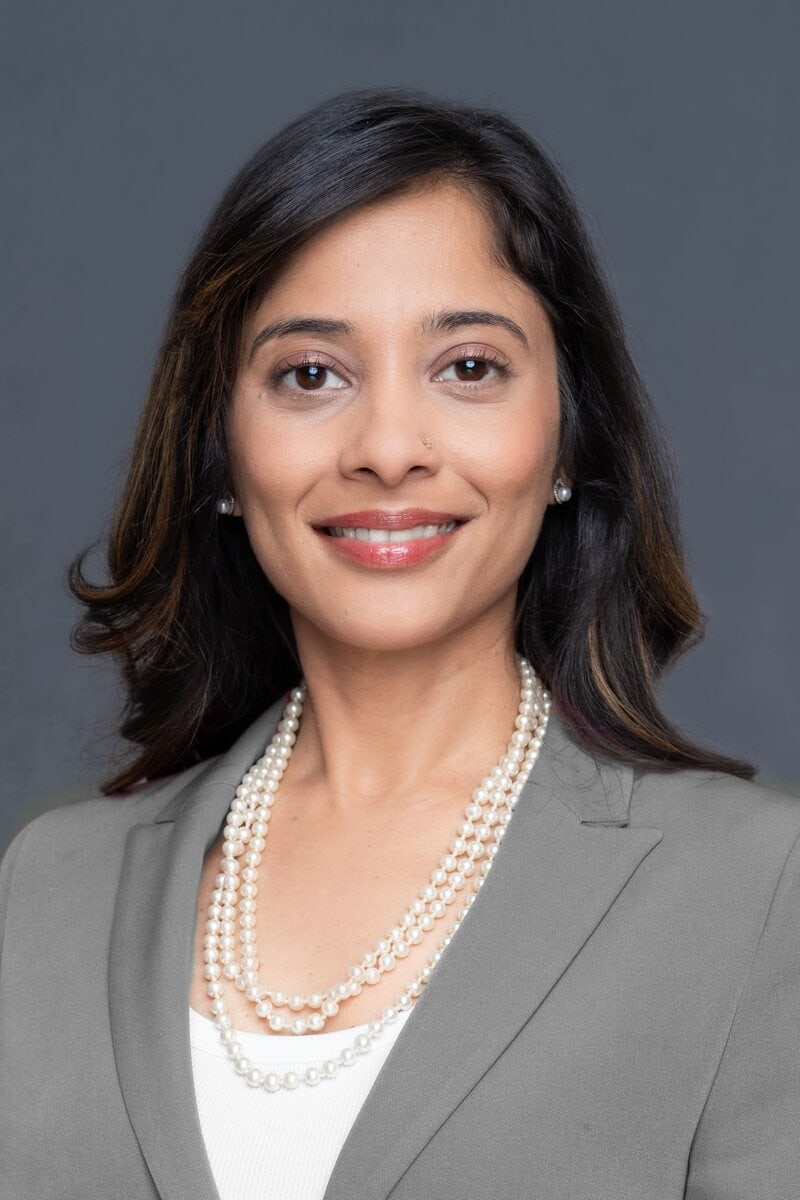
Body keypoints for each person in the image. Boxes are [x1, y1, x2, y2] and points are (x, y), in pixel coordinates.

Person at [1, 85, 798, 1200]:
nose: (386, 448)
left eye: (467, 367)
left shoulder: (757, 888)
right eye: (309, 375)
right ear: (223, 453)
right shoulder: (45, 891)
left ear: (565, 436)